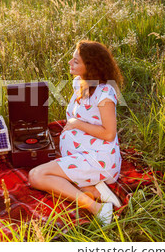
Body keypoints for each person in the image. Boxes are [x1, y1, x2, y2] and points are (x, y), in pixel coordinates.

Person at [28, 40, 124, 224]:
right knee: (55, 179)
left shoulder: (104, 94)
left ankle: (96, 207)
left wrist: (76, 123)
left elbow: (109, 134)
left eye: (76, 61)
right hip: (81, 152)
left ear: (90, 67)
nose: (70, 63)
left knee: (36, 175)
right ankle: (95, 190)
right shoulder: (79, 83)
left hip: (99, 159)